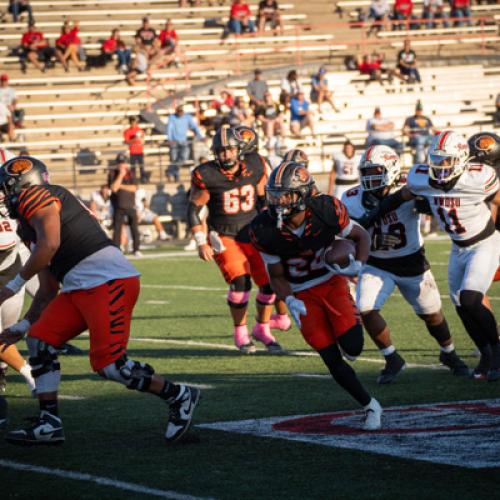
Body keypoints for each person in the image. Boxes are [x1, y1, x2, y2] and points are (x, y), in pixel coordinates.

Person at [0, 156, 200, 445]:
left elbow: (51, 245)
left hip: (107, 281)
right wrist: (23, 325)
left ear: (23, 184)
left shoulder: (38, 195)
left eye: (7, 188)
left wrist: (15, 284)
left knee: (110, 366)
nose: (5, 196)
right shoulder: (27, 225)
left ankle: (179, 395)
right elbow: (47, 288)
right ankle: (49, 422)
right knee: (39, 340)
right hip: (80, 286)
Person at [249, 161, 383, 430]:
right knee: (330, 357)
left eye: (285, 194)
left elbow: (361, 237)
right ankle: (370, 405)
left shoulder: (326, 210)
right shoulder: (263, 228)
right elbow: (275, 276)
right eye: (274, 194)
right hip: (301, 293)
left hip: (332, 282)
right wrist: (289, 300)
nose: (277, 201)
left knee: (354, 348)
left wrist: (358, 265)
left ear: (303, 195)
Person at [363, 130, 500, 381]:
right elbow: (400, 197)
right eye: (436, 159)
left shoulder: (478, 177)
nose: (439, 165)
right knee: (460, 305)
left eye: (445, 160)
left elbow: (498, 200)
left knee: (470, 299)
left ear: (460, 159)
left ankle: (498, 349)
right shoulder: (421, 177)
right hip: (458, 247)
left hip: (484, 242)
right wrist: (373, 216)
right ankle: (486, 354)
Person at [341, 145, 469, 384]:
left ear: (391, 169)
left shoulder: (410, 189)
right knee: (366, 308)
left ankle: (449, 352)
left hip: (411, 261)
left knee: (432, 316)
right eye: (366, 172)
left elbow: (438, 207)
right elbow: (348, 234)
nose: (369, 178)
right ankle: (391, 358)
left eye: (375, 171)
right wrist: (368, 240)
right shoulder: (351, 198)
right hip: (377, 263)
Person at [188, 125, 282, 353]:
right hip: (224, 235)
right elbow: (193, 209)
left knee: (269, 284)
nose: (225, 155)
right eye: (220, 151)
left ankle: (262, 328)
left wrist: (272, 224)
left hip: (252, 233)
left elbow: (263, 199)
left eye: (229, 150)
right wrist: (201, 241)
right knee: (241, 282)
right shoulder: (206, 174)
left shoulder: (255, 164)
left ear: (239, 150)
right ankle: (240, 332)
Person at [109, 153, 141, 256]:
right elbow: (114, 188)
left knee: (134, 229)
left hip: (131, 205)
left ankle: (136, 249)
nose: (122, 165)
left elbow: (134, 188)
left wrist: (121, 186)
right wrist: (121, 175)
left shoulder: (131, 173)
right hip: (118, 206)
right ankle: (117, 249)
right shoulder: (113, 174)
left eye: (123, 163)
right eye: (120, 163)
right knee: (117, 229)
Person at [166, 105, 204, 182]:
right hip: (174, 141)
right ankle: (176, 176)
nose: (180, 113)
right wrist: (169, 139)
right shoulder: (172, 117)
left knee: (184, 158)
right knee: (174, 159)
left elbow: (194, 127)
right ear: (176, 111)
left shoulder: (187, 117)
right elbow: (169, 128)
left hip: (183, 141)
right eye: (178, 111)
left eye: (181, 111)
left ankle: (170, 171)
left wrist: (200, 135)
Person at [123, 116, 147, 183]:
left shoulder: (140, 130)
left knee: (141, 167)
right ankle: (133, 180)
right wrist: (134, 139)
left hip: (140, 151)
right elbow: (126, 141)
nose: (134, 124)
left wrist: (141, 139)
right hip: (132, 152)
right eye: (133, 123)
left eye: (135, 122)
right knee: (133, 168)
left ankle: (143, 179)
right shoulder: (127, 131)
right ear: (130, 123)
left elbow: (142, 140)